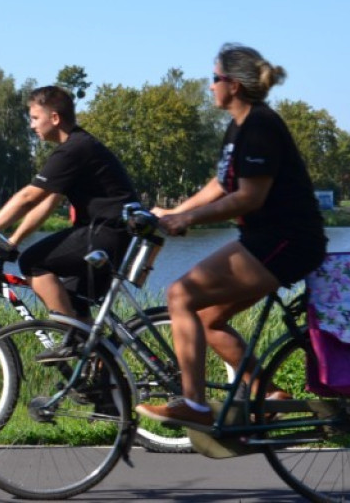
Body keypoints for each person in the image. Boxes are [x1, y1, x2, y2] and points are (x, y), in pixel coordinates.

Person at [136, 43, 327, 430]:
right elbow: (221, 185)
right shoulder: (239, 126)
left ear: (233, 85)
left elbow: (248, 196)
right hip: (268, 240)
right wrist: (175, 213)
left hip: (285, 241)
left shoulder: (259, 125)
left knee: (179, 295)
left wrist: (190, 218)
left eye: (214, 78)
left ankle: (194, 404)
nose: (210, 87)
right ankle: (269, 396)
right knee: (206, 320)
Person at [0, 85, 140, 353]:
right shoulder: (79, 147)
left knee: (32, 262)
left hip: (106, 233)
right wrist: (13, 240)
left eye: (35, 118)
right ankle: (99, 373)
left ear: (54, 118)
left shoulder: (73, 149)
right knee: (72, 297)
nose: (31, 126)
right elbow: (46, 204)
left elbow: (28, 198)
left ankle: (69, 339)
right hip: (115, 235)